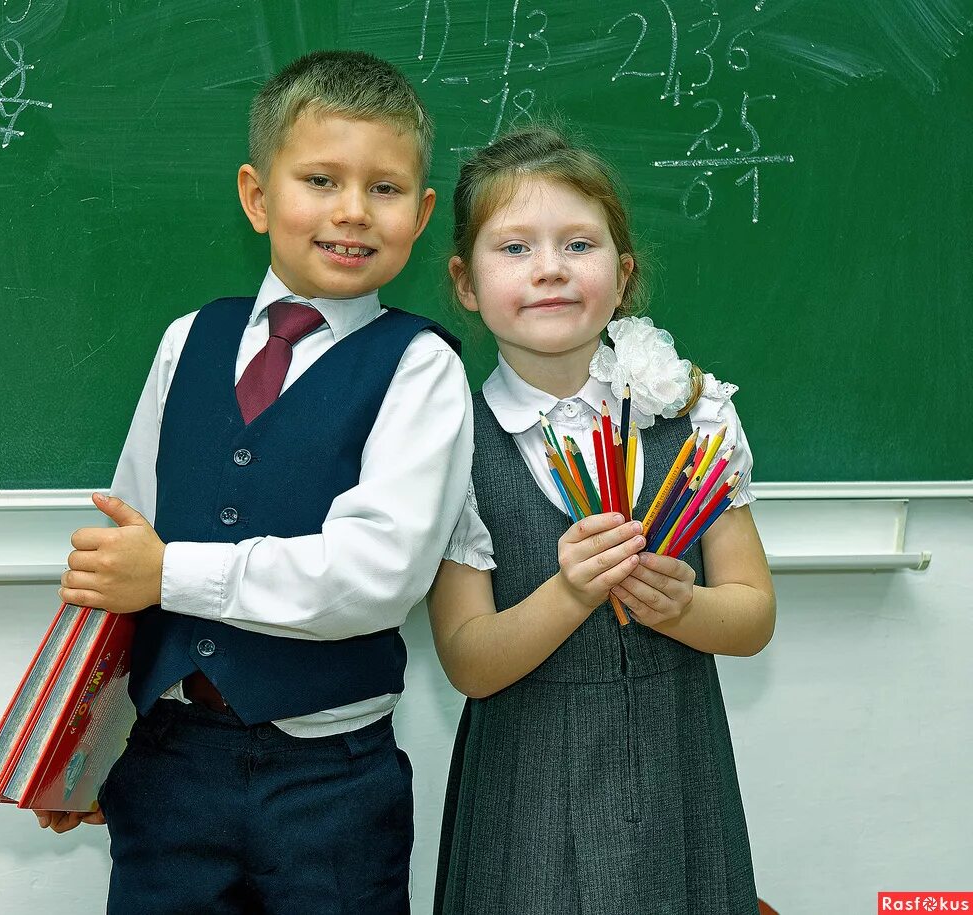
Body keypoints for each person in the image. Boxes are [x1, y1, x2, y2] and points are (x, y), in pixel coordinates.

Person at [39, 50, 474, 915]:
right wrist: (83, 746)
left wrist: (170, 573)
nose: (352, 211)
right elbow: (122, 555)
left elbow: (374, 575)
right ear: (256, 195)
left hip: (332, 787)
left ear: (422, 214)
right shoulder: (187, 340)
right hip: (166, 764)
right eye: (320, 179)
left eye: (385, 189)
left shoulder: (421, 367)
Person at [430, 126, 776, 915]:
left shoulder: (696, 415)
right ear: (465, 282)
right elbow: (469, 661)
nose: (549, 267)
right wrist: (570, 591)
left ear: (622, 275)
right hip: (524, 797)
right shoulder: (450, 444)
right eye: (514, 247)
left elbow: (753, 615)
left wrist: (684, 606)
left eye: (578, 243)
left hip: (677, 775)